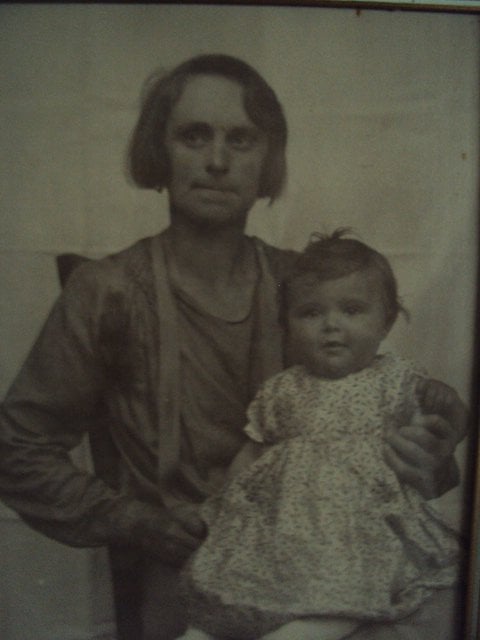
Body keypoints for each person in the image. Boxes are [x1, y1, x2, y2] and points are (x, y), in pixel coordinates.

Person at [0, 55, 466, 640]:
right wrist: (132, 520)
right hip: (191, 571)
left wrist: (426, 454)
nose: (217, 161)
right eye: (194, 136)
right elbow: (15, 447)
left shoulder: (308, 290)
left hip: (332, 564)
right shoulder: (109, 291)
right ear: (159, 150)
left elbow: (397, 445)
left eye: (241, 140)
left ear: (268, 159)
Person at [177, 231, 468, 640]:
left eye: (351, 310)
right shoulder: (281, 389)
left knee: (344, 588)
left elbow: (451, 428)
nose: (331, 325)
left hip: (356, 526)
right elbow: (252, 452)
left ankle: (307, 630)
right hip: (285, 526)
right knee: (240, 582)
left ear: (385, 322)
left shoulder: (395, 379)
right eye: (310, 313)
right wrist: (223, 505)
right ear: (286, 326)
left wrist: (449, 404)